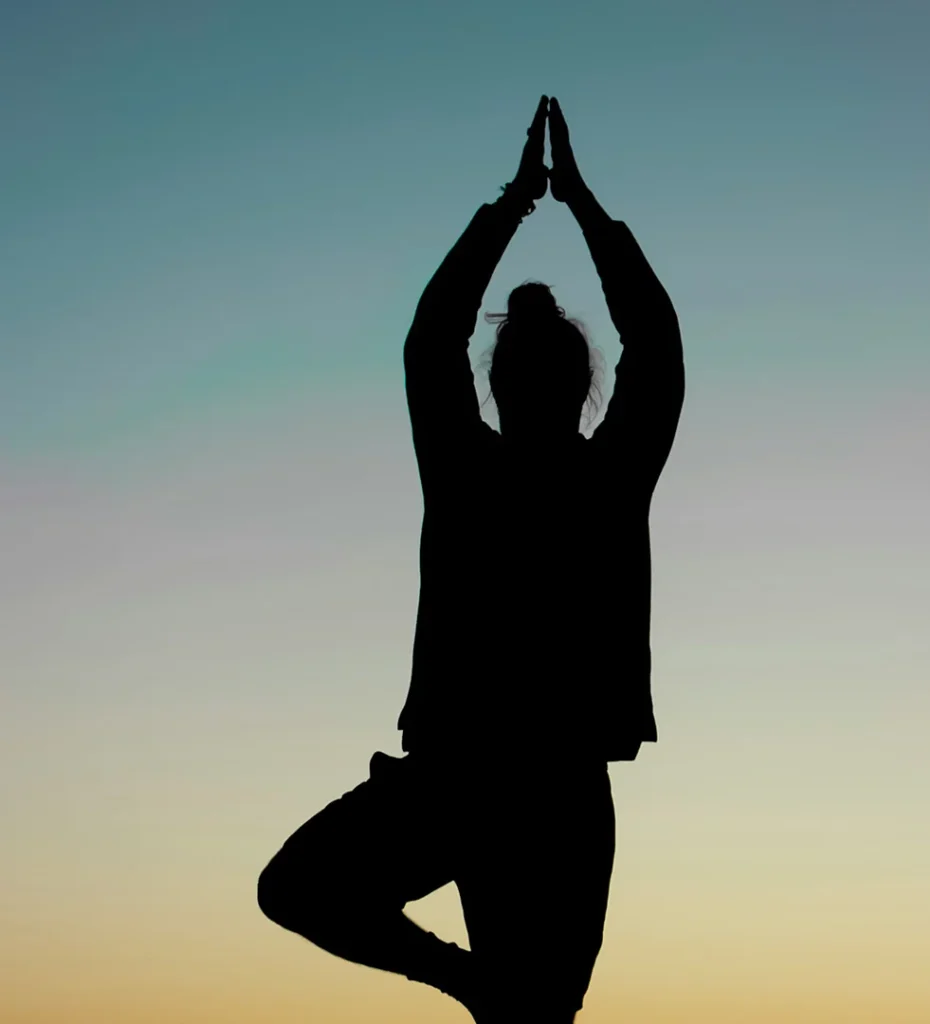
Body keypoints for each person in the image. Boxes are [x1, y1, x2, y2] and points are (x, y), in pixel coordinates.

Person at [257, 96, 685, 1023]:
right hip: (540, 788)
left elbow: (433, 333)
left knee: (310, 894)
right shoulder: (599, 476)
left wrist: (517, 203)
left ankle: (472, 984)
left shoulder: (476, 469)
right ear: (577, 387)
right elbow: (655, 342)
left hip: (488, 780)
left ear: (498, 386)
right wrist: (574, 203)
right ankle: (476, 984)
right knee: (527, 1012)